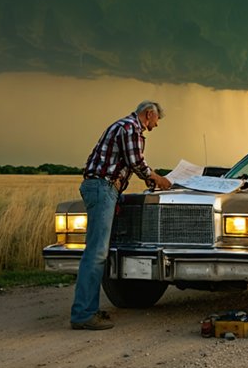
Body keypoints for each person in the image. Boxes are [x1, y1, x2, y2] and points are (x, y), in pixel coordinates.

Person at [70, 100, 172, 330]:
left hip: (103, 188)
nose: (156, 125)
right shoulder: (129, 128)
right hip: (103, 188)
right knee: (96, 253)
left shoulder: (123, 127)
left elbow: (129, 163)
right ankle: (83, 315)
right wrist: (158, 179)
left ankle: (88, 309)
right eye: (157, 120)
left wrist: (148, 179)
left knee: (98, 251)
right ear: (149, 114)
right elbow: (137, 163)